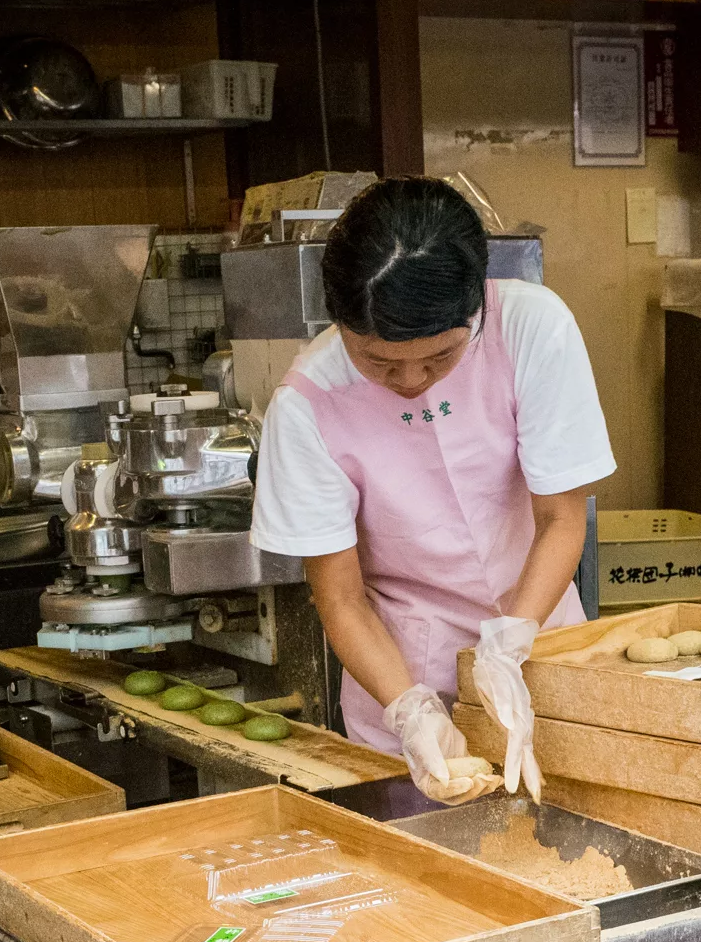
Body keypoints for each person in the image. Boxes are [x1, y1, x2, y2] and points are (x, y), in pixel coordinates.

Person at [251, 178, 615, 805]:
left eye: (441, 357)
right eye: (381, 363)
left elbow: (561, 519)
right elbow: (340, 600)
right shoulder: (306, 405)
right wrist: (411, 711)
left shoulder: (530, 328)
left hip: (540, 643)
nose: (413, 380)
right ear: (342, 324)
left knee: (569, 839)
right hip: (398, 667)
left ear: (476, 306)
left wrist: (509, 645)